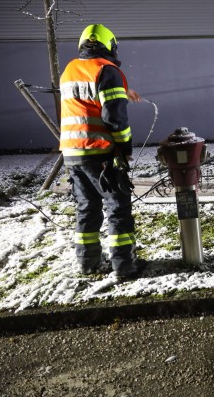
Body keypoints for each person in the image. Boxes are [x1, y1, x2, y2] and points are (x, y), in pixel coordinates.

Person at [59, 24, 146, 279]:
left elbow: (85, 100)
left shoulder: (69, 70)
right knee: (117, 206)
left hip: (72, 152)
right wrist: (125, 146)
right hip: (100, 152)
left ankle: (88, 263)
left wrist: (121, 91)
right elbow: (114, 116)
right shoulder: (107, 71)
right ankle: (125, 266)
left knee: (87, 207)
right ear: (111, 46)